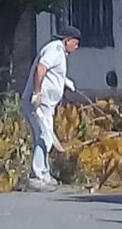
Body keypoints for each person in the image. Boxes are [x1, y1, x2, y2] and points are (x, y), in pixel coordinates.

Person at [21, 26, 81, 191]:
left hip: (47, 105)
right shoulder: (54, 49)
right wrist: (37, 93)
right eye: (75, 43)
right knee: (45, 136)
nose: (77, 47)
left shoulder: (60, 53)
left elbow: (53, 73)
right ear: (67, 40)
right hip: (38, 103)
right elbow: (41, 69)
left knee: (42, 137)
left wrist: (65, 82)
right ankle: (37, 177)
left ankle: (44, 174)